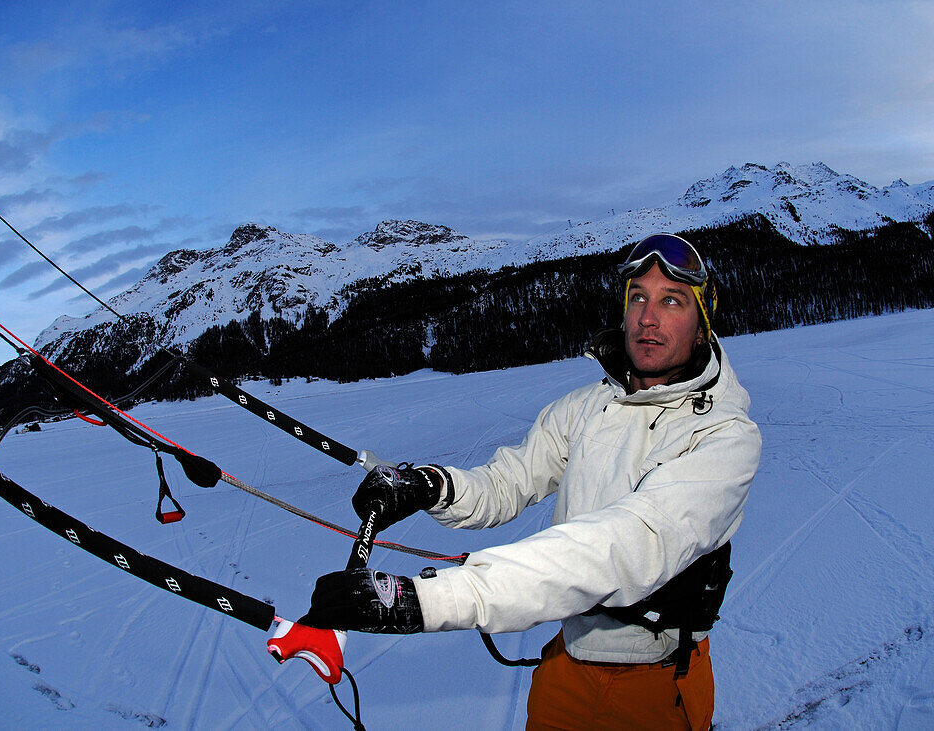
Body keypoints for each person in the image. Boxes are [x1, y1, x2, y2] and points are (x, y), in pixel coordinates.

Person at [302, 233, 762, 730]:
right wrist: (430, 485)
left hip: (656, 681)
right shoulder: (587, 408)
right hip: (567, 665)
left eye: (671, 301)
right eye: (638, 298)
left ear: (701, 327)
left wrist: (431, 600)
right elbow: (508, 480)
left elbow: (624, 547)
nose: (648, 317)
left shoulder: (724, 437)